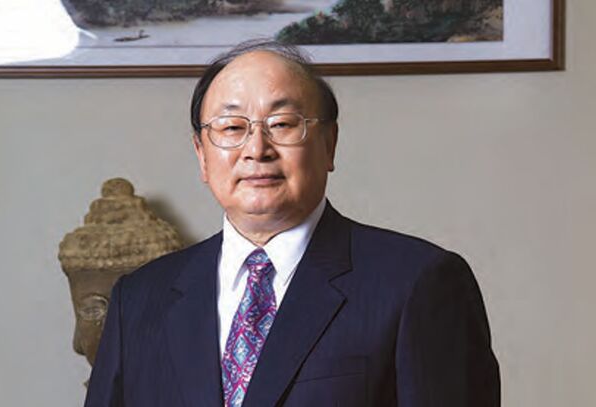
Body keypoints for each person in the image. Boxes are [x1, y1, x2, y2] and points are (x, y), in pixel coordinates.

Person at [85, 40, 500, 407]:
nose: (256, 149)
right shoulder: (139, 299)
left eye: (282, 124)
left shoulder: (418, 282)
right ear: (201, 155)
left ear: (329, 143)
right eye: (231, 127)